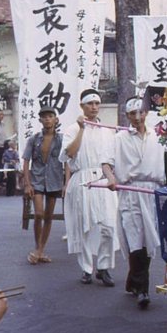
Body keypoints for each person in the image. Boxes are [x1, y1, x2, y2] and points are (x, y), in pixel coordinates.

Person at [103, 97, 166, 309]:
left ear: (146, 113)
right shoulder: (119, 138)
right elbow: (106, 162)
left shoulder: (158, 137)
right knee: (134, 236)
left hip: (152, 191)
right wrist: (111, 178)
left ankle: (133, 280)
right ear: (127, 116)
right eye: (132, 114)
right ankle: (143, 290)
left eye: (141, 112)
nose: (137, 117)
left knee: (147, 238)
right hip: (130, 192)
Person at [59, 89, 119, 286]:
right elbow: (68, 154)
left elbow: (112, 159)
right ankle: (86, 269)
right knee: (84, 226)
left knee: (108, 226)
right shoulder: (72, 130)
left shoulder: (107, 131)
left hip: (103, 180)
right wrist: (82, 129)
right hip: (82, 179)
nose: (94, 107)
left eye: (96, 103)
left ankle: (103, 267)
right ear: (82, 106)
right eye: (89, 104)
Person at [23, 107, 68, 264]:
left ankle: (40, 250)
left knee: (48, 216)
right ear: (40, 120)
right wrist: (27, 184)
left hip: (54, 181)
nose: (48, 119)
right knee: (39, 214)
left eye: (50, 116)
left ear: (56, 119)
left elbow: (66, 162)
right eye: (44, 117)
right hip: (37, 180)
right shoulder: (34, 139)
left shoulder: (61, 139)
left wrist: (66, 183)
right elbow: (26, 161)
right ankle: (37, 247)